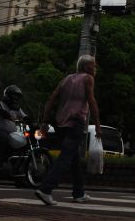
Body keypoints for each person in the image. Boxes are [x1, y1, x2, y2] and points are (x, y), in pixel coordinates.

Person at [35, 54, 102, 206]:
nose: (95, 69)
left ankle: (79, 193)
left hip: (61, 124)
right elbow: (92, 102)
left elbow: (51, 98)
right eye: (94, 66)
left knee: (74, 160)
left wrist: (44, 121)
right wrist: (97, 125)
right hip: (75, 123)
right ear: (86, 67)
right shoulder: (88, 79)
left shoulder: (66, 79)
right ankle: (46, 189)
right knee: (66, 158)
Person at [0, 84, 27, 171]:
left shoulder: (16, 108)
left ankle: (17, 166)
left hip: (12, 134)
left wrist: (33, 122)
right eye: (14, 95)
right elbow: (0, 111)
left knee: (23, 140)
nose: (16, 98)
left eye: (17, 96)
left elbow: (24, 116)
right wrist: (9, 116)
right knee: (3, 137)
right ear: (8, 95)